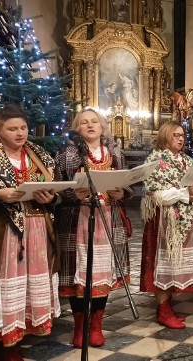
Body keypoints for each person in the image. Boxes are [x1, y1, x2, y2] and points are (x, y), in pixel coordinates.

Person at [0, 104, 61, 360]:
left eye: (23, 128)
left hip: (37, 229)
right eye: (12, 129)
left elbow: (56, 193)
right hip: (2, 230)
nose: (20, 133)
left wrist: (49, 198)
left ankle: (14, 341)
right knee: (1, 287)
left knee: (27, 287)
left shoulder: (38, 154)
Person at [54, 108, 132, 348]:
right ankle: (80, 326)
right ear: (77, 128)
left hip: (108, 219)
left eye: (94, 121)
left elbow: (127, 184)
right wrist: (73, 194)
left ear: (102, 126)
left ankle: (96, 324)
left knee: (102, 273)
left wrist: (122, 192)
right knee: (78, 271)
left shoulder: (115, 153)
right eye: (84, 122)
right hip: (77, 220)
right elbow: (56, 187)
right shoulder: (66, 154)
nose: (90, 125)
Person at [140, 121, 193, 329]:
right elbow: (157, 194)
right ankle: (163, 309)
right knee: (165, 264)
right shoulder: (155, 160)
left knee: (176, 266)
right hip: (164, 221)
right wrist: (185, 193)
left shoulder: (187, 160)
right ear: (166, 136)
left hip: (187, 217)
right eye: (175, 135)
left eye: (182, 135)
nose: (180, 138)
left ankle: (169, 305)